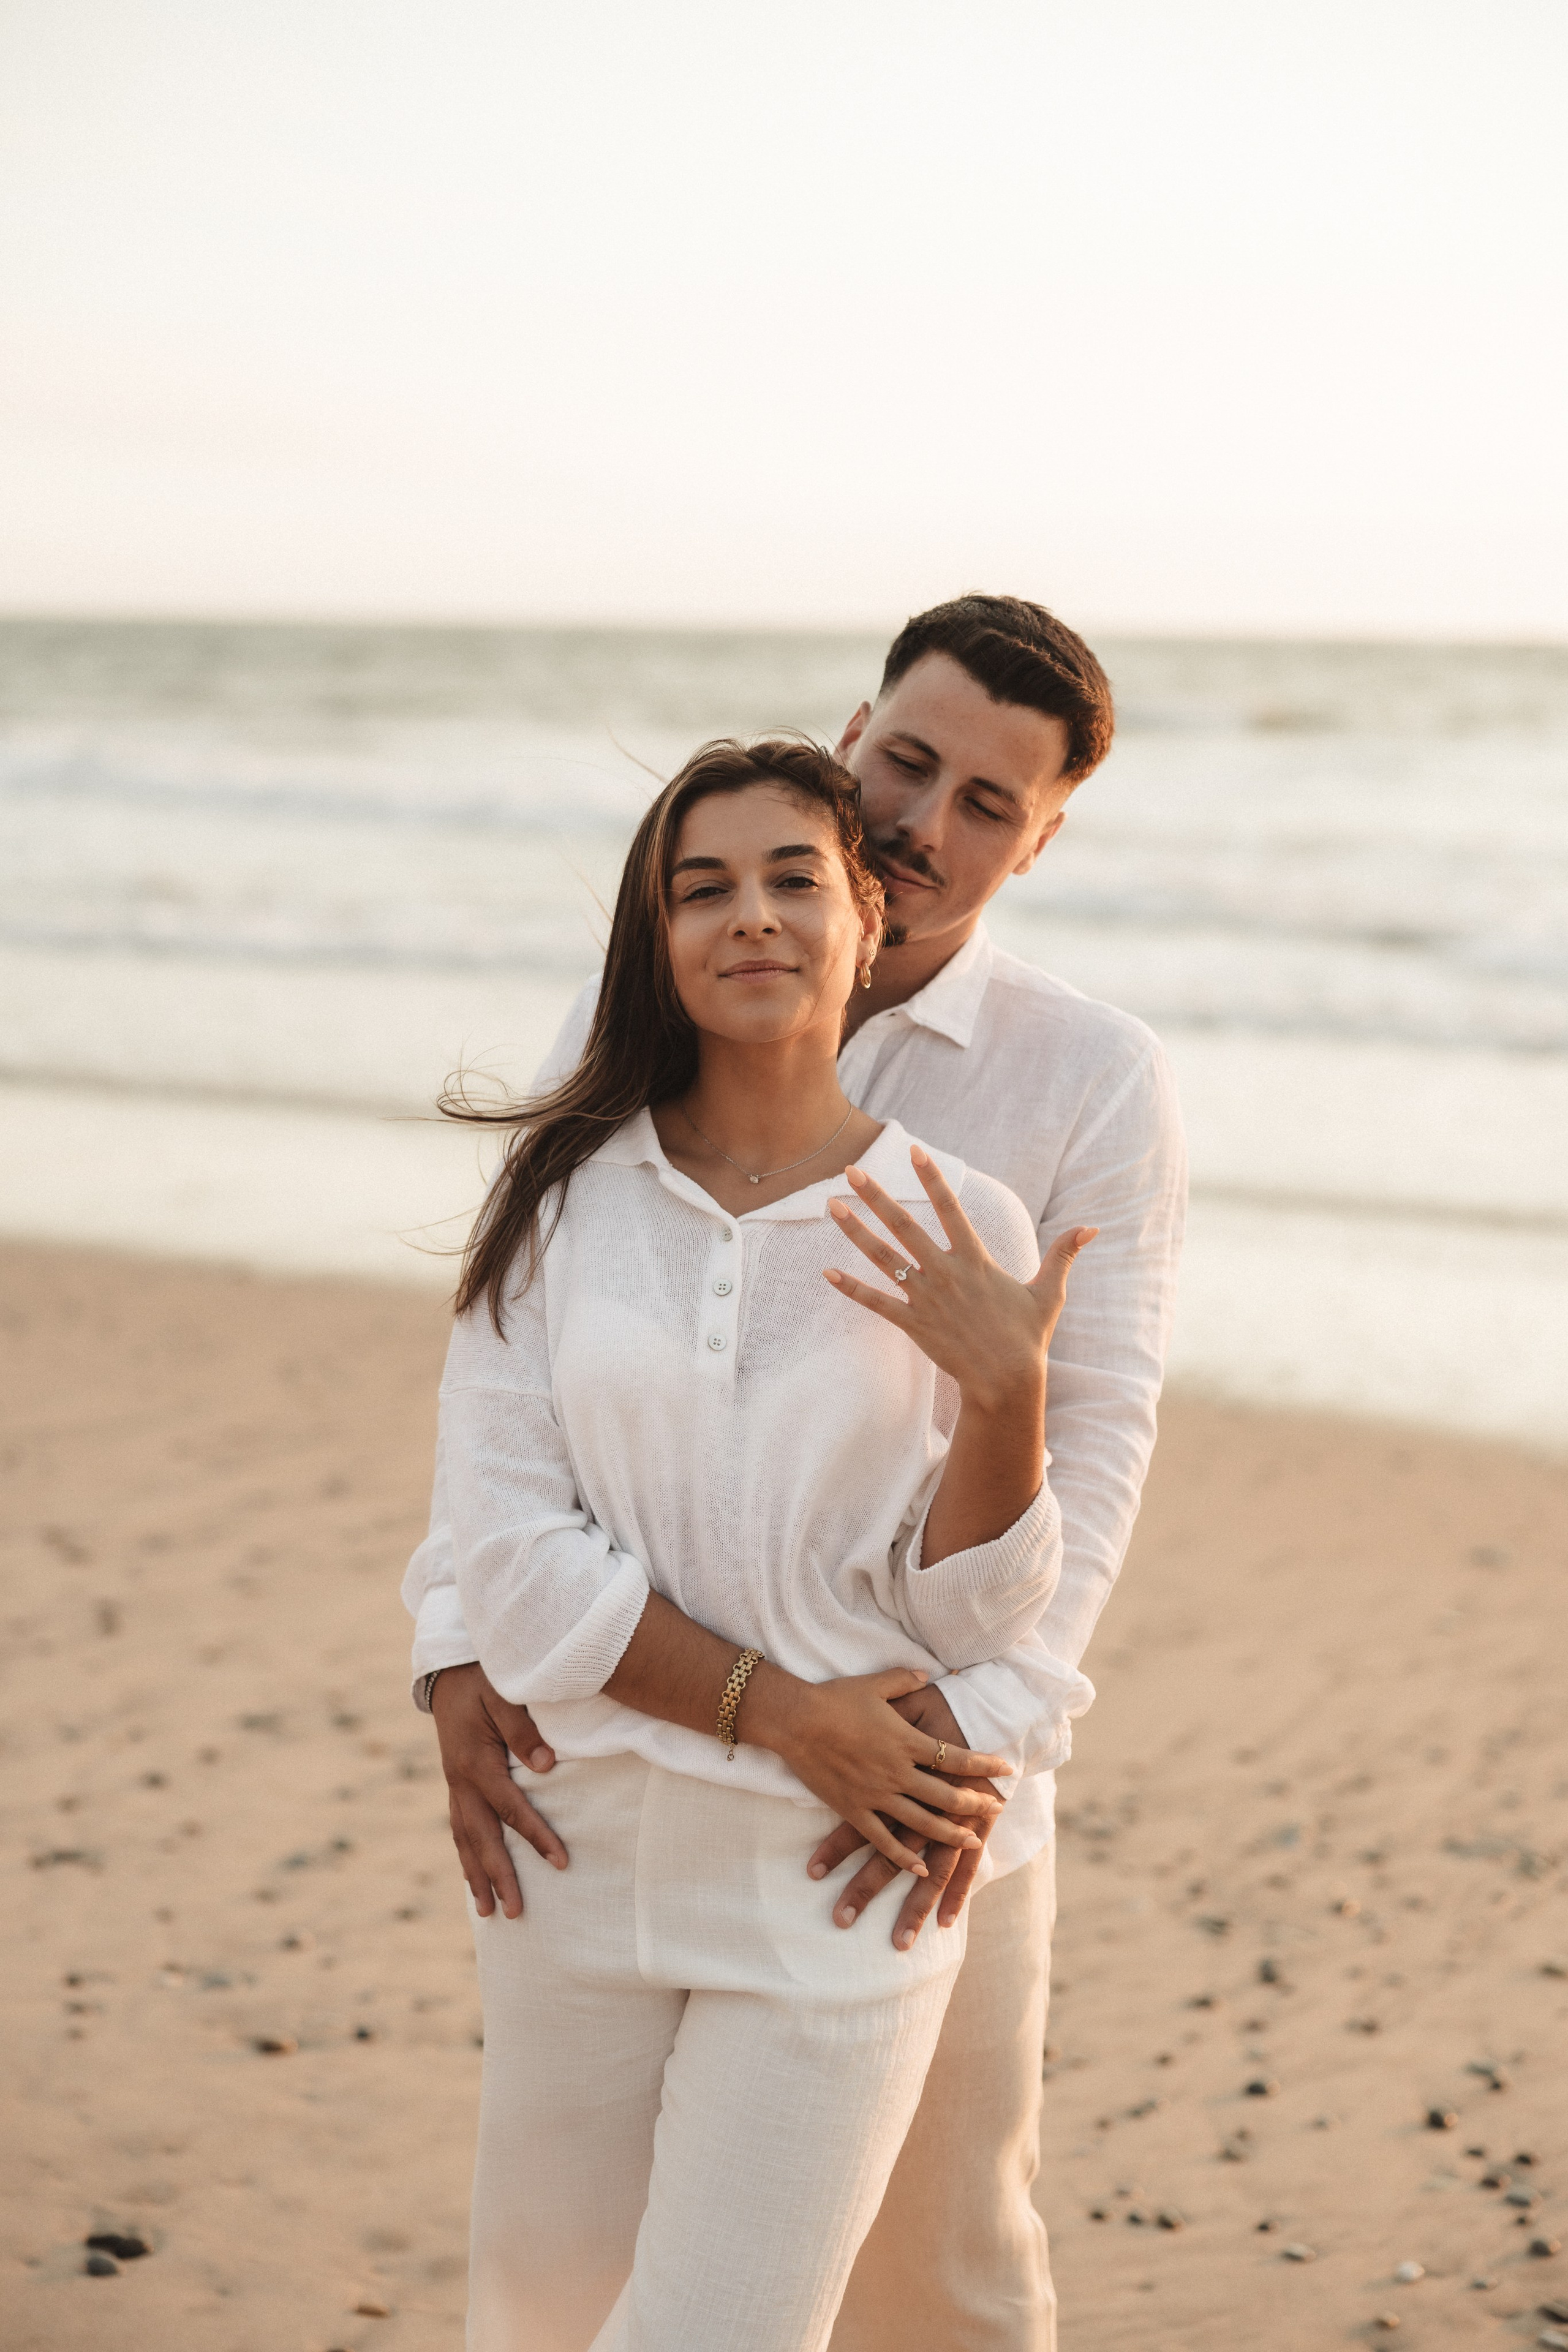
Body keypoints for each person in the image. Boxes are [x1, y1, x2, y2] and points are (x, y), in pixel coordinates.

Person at [407, 594, 1188, 2350]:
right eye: (906, 764)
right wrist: (455, 1641)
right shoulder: (644, 1036)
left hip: (940, 1772)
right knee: (581, 2291)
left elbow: (1098, 1431)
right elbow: (516, 1374)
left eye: (990, 802)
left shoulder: (1087, 1082)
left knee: (944, 2266)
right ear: (853, 736)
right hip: (630, 1757)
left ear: (1044, 837)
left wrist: (962, 1741)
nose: (927, 820)